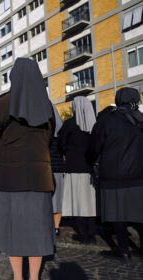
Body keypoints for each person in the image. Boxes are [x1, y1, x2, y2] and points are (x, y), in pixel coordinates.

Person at [0, 58, 54, 280]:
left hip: (7, 175)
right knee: (38, 231)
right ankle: (34, 277)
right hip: (39, 176)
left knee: (13, 231)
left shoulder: (0, 104)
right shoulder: (47, 106)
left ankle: (17, 276)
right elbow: (50, 138)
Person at [89, 88, 143, 260]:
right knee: (139, 214)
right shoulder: (141, 119)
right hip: (139, 175)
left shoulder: (106, 121)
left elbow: (93, 148)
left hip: (112, 175)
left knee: (118, 214)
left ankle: (124, 250)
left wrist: (92, 161)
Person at [58, 96, 97, 244]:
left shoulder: (69, 124)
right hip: (90, 168)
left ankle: (82, 233)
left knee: (78, 201)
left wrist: (68, 151)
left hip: (74, 167)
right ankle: (92, 233)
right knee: (91, 202)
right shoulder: (94, 125)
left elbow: (61, 143)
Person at [50, 105, 66, 236]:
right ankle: (56, 227)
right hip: (59, 168)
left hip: (45, 169)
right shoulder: (62, 132)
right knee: (57, 199)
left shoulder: (42, 133)